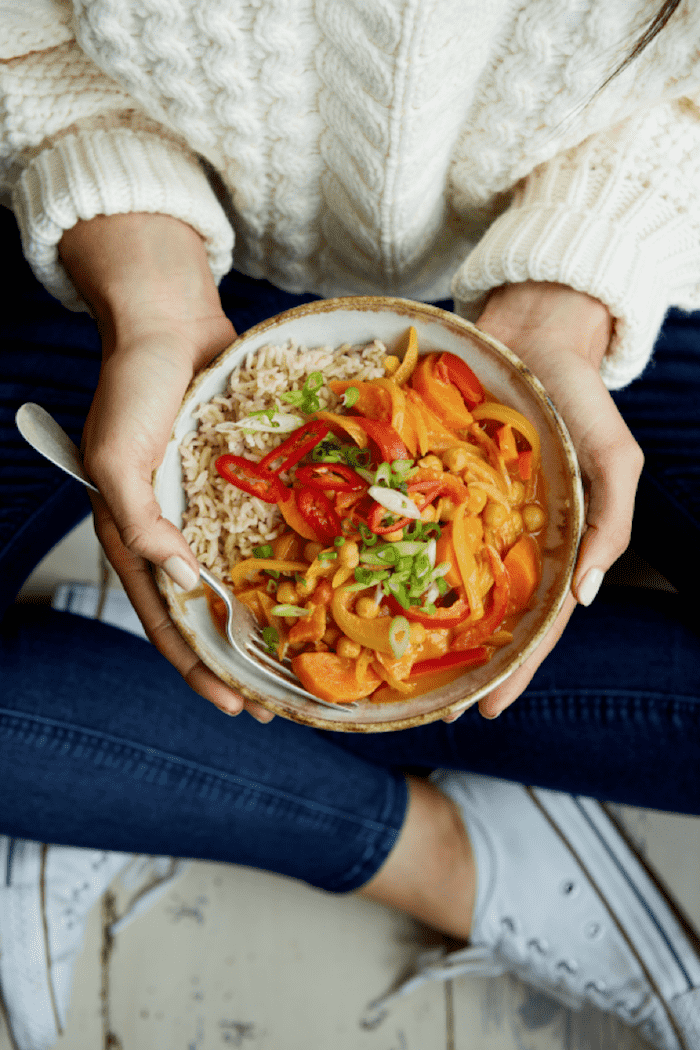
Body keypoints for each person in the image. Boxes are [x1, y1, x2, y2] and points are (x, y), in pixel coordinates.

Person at [1, 1, 699, 1047]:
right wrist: (145, 284)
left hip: (584, 248)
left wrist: (575, 286)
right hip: (150, 235)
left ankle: (227, 734)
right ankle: (444, 860)